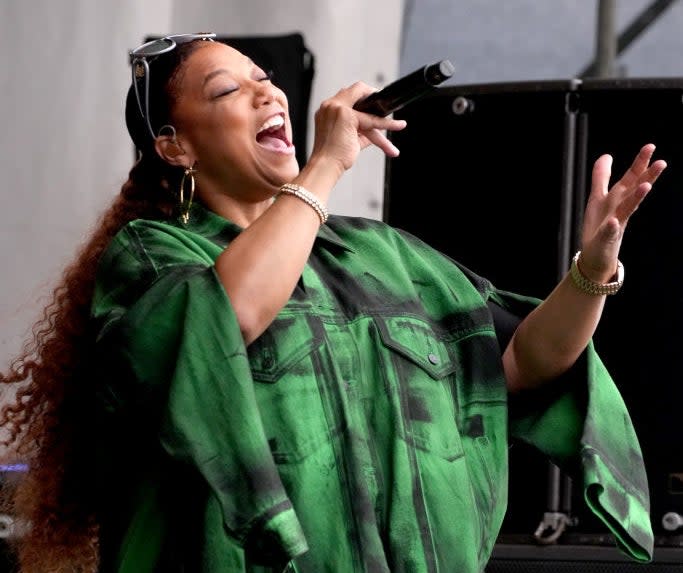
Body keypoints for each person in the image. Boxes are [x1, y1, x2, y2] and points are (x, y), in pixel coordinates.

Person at [0, 32, 667, 573]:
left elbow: (523, 362)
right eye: (231, 89)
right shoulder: (153, 258)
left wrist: (588, 274)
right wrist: (326, 165)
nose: (268, 92)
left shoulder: (385, 258)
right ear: (174, 144)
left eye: (266, 78)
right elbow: (222, 323)